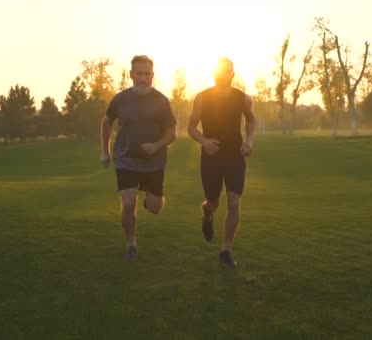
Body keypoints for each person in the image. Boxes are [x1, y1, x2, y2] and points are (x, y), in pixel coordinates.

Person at [100, 55, 176, 260]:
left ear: (153, 75)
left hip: (154, 161)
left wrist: (157, 145)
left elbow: (172, 134)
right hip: (125, 159)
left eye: (147, 74)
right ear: (131, 74)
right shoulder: (120, 99)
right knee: (128, 201)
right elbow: (107, 122)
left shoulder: (161, 101)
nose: (143, 78)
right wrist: (105, 151)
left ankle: (150, 197)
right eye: (139, 74)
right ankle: (131, 243)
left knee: (155, 207)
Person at [187, 57, 256, 267]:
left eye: (226, 71)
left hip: (235, 155)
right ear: (214, 74)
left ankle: (226, 250)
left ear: (232, 74)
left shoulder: (243, 98)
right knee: (214, 202)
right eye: (219, 71)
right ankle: (207, 213)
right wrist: (204, 141)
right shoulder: (202, 98)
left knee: (234, 202)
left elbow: (251, 119)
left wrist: (249, 141)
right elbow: (190, 127)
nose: (222, 74)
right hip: (211, 155)